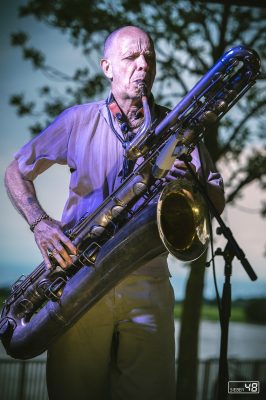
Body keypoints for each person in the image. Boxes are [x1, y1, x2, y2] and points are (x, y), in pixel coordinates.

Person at [5, 26, 225, 400]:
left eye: (149, 57)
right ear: (107, 67)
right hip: (78, 280)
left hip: (150, 282)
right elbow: (16, 171)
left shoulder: (179, 125)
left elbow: (214, 196)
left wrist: (191, 185)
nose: (143, 65)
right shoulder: (78, 120)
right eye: (131, 57)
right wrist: (40, 224)